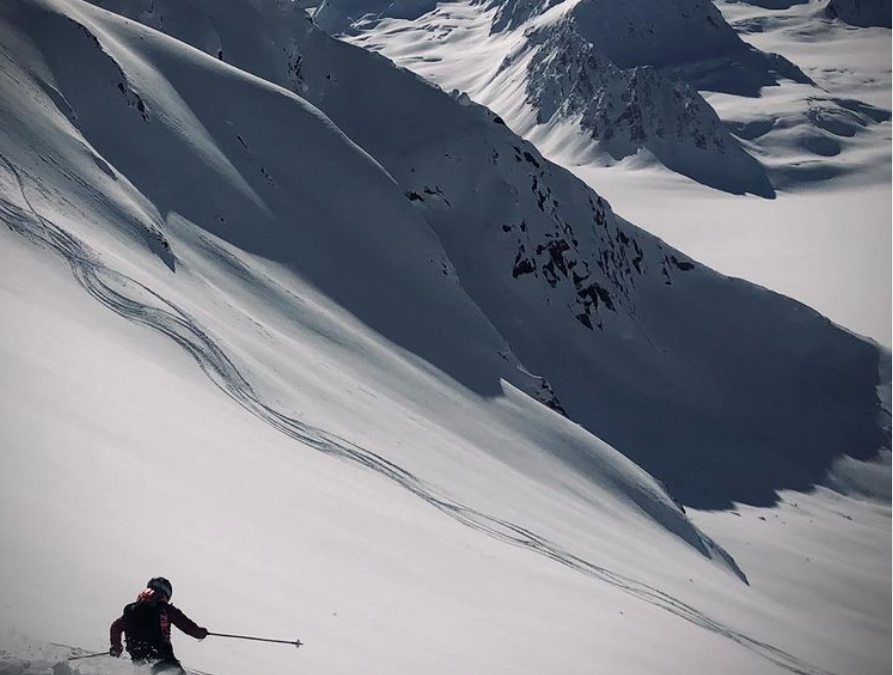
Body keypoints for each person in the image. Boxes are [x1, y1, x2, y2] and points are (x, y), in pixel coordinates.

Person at [110, 577, 209, 674]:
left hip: (139, 659)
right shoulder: (165, 610)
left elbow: (116, 627)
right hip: (163, 658)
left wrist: (116, 648)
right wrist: (200, 633)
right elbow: (186, 625)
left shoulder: (131, 611)